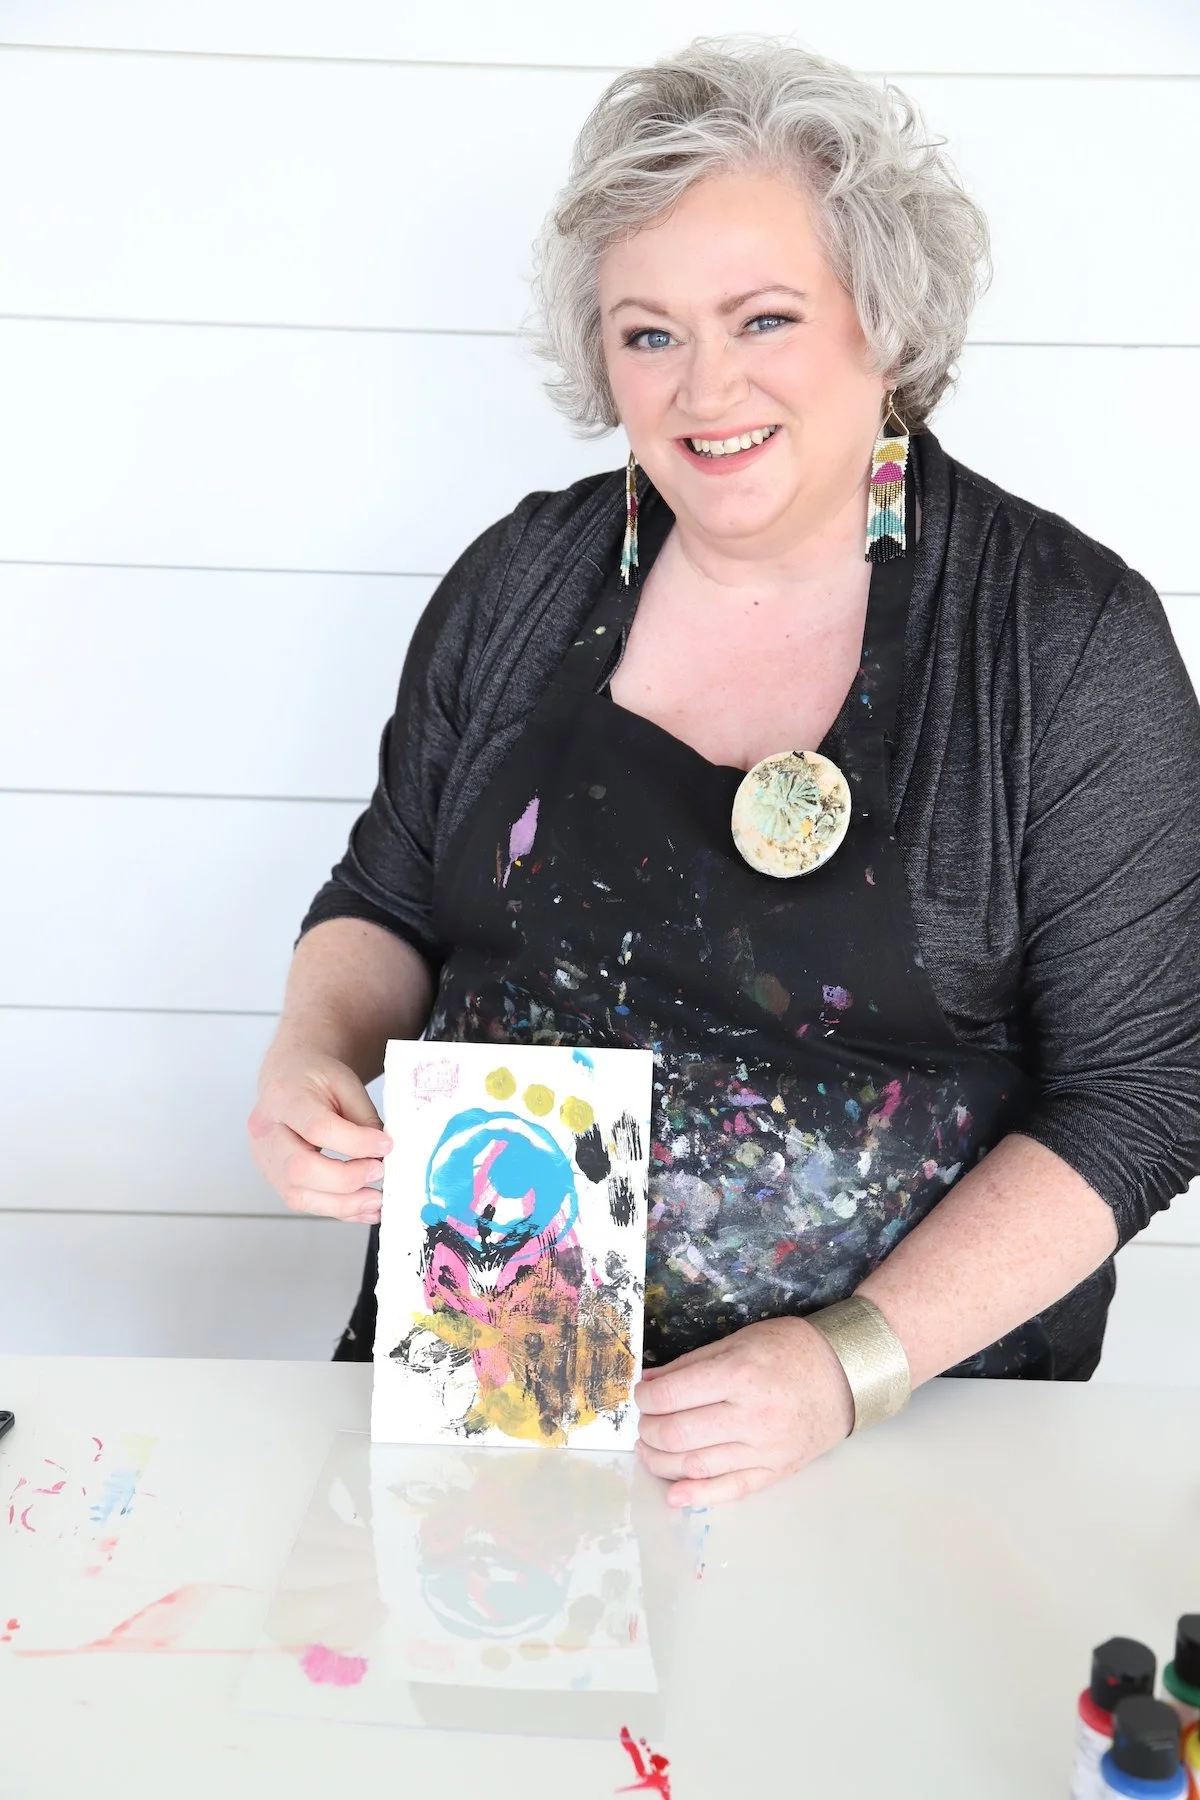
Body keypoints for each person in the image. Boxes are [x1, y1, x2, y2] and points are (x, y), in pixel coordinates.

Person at [248, 39, 1200, 1506]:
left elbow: (1141, 1097)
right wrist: (310, 1056)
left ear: (885, 319)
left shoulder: (1062, 641)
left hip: (891, 1443)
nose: (707, 387)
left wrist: (847, 1365)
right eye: (650, 334)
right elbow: (386, 900)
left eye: (764, 318)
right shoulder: (522, 579)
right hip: (495, 1408)